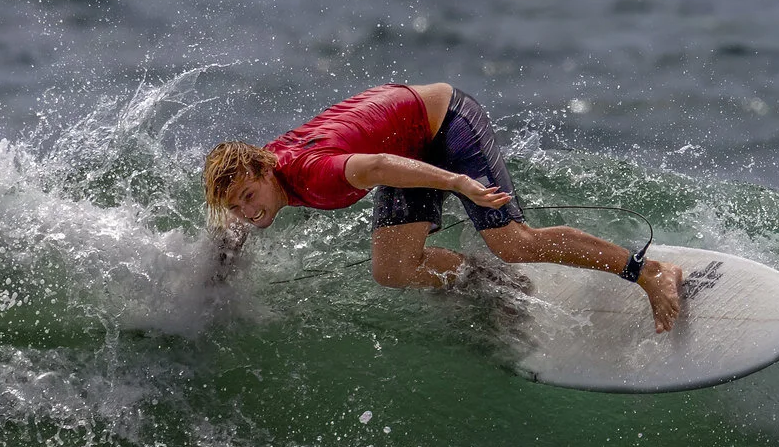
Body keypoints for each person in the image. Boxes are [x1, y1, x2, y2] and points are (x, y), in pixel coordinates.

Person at [203, 83, 684, 332]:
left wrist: (458, 183)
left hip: (445, 122)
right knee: (392, 268)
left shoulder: (315, 173)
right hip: (405, 141)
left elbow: (376, 167)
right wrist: (215, 282)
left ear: (265, 171)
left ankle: (650, 271)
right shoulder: (259, 172)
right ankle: (496, 285)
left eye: (249, 197)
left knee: (513, 242)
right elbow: (232, 224)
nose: (247, 211)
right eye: (236, 205)